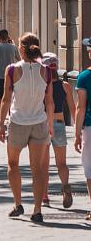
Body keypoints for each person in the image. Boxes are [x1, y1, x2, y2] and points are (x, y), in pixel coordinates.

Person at [0, 33, 54, 223]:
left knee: (13, 164)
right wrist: (51, 124)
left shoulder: (12, 70)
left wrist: (0, 124)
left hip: (18, 123)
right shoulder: (46, 71)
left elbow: (6, 99)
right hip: (39, 123)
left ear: (21, 49)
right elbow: (50, 102)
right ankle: (37, 210)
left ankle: (18, 203)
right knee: (37, 168)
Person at [41, 53, 75, 208]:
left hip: (43, 125)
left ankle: (45, 195)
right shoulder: (65, 85)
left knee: (43, 164)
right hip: (60, 124)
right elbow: (73, 108)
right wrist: (77, 130)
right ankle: (65, 187)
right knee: (62, 163)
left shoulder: (41, 85)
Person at [75, 37, 91, 221]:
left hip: (90, 127)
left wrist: (77, 133)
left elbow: (81, 107)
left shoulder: (84, 77)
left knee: (90, 169)